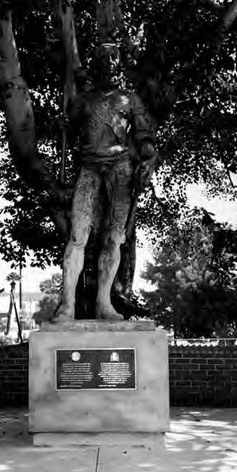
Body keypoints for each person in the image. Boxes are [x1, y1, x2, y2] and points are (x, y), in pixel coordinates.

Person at [53, 43, 157, 322]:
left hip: (120, 169)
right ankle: (67, 305)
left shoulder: (130, 99)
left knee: (114, 238)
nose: (110, 64)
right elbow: (67, 129)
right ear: (96, 66)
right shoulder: (83, 101)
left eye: (115, 60)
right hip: (89, 168)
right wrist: (63, 120)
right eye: (104, 60)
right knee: (77, 237)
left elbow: (145, 137)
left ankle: (103, 303)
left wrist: (147, 157)